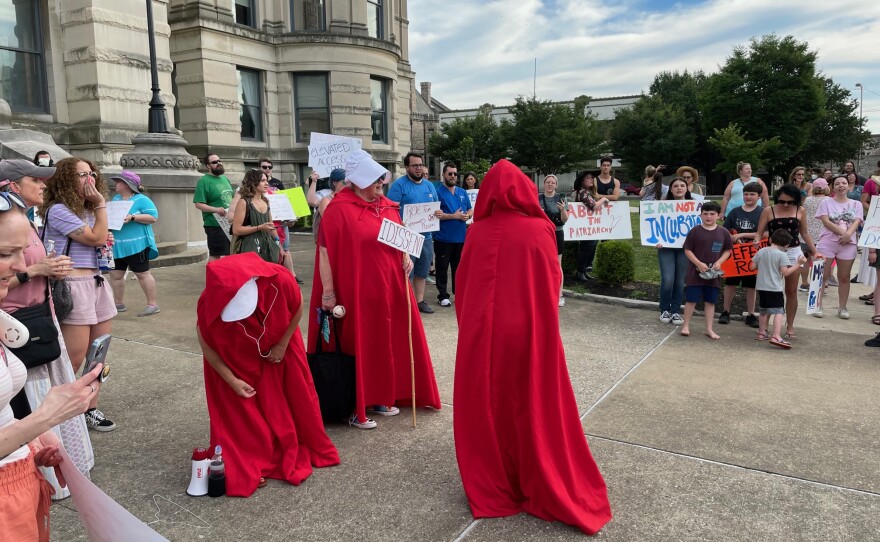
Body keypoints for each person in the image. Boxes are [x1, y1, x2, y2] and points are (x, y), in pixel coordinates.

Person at [452, 159, 612, 535]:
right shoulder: (539, 229)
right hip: (527, 332)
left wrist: (471, 327)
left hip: (483, 335)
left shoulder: (476, 232)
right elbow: (550, 283)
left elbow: (463, 288)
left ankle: (497, 474)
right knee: (529, 401)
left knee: (489, 402)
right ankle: (532, 469)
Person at [307, 150, 441, 430]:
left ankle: (381, 396)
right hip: (355, 290)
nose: (380, 182)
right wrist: (328, 292)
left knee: (385, 340)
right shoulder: (339, 209)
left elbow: (400, 238)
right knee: (360, 342)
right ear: (356, 181)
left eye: (381, 178)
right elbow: (325, 251)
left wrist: (405, 256)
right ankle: (355, 405)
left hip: (389, 288)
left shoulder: (389, 206)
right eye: (374, 179)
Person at [0, 194, 105, 539]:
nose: (20, 266)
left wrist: (31, 442)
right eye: (5, 254)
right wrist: (45, 417)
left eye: (23, 249)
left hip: (19, 480)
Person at [196, 252, 339, 496]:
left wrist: (283, 344)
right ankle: (256, 448)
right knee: (243, 408)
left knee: (294, 396)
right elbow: (205, 343)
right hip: (237, 353)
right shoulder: (208, 302)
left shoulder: (280, 279)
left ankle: (291, 436)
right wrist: (231, 380)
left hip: (281, 340)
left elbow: (297, 308)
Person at [39, 157, 118, 432]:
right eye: (82, 174)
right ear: (66, 180)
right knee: (72, 356)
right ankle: (59, 413)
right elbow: (95, 238)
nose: (90, 179)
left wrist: (100, 220)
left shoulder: (88, 211)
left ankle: (90, 407)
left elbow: (100, 240)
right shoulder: (58, 210)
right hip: (73, 283)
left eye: (92, 173)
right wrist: (100, 207)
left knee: (98, 353)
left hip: (96, 281)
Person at [756, 184, 821, 339]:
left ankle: (790, 325)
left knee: (791, 291)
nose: (785, 205)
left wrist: (815, 251)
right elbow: (759, 233)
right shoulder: (768, 210)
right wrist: (756, 244)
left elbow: (804, 232)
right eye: (782, 201)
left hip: (793, 252)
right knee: (771, 289)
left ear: (796, 201)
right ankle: (764, 327)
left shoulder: (800, 211)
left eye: (789, 202)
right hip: (773, 252)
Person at [387, 152, 440, 314]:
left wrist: (438, 213)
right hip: (407, 236)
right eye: (415, 165)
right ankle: (405, 302)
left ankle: (419, 301)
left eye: (420, 165)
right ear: (407, 167)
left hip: (426, 235)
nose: (419, 168)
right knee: (406, 271)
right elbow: (391, 209)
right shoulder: (399, 185)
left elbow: (436, 207)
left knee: (422, 271)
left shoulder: (429, 185)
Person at [107, 171, 160, 317]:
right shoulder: (116, 199)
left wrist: (133, 217)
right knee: (115, 275)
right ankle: (118, 303)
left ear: (127, 185)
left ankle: (152, 304)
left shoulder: (142, 199)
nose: (115, 184)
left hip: (137, 244)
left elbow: (153, 217)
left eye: (118, 181)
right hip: (117, 245)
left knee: (142, 274)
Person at [680, 201, 733, 339]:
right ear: (701, 215)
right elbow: (687, 250)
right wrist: (698, 263)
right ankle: (685, 325)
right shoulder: (695, 231)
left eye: (712, 214)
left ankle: (709, 329)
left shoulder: (723, 232)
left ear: (718, 215)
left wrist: (719, 262)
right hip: (695, 272)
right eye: (705, 214)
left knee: (711, 301)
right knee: (691, 299)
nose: (708, 217)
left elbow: (728, 250)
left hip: (713, 274)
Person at [815, 175, 864, 319]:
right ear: (832, 187)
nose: (841, 186)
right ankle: (816, 304)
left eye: (844, 183)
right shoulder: (826, 202)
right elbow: (825, 220)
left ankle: (842, 307)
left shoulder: (856, 204)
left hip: (848, 244)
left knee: (844, 277)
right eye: (837, 184)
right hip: (827, 242)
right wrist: (844, 233)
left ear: (848, 186)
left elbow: (857, 221)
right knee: (821, 275)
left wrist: (848, 235)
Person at [750, 229, 807, 349]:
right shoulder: (782, 255)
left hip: (761, 286)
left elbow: (752, 266)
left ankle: (762, 332)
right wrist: (797, 264)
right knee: (779, 311)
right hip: (774, 288)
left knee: (763, 310)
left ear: (771, 239)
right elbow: (785, 273)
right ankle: (776, 335)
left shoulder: (761, 251)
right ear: (786, 245)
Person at [718, 182, 763, 328]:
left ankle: (750, 314)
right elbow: (725, 230)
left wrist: (743, 234)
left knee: (751, 285)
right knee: (730, 283)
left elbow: (766, 233)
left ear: (759, 196)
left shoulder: (762, 212)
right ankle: (726, 311)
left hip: (753, 254)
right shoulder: (735, 212)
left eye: (752, 194)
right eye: (746, 194)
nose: (748, 197)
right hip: (735, 254)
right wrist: (732, 237)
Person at [434, 163, 472, 307]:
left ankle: (459, 293)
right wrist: (454, 216)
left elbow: (470, 209)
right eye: (450, 174)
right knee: (442, 267)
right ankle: (442, 295)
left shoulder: (462, 192)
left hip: (460, 237)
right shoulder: (438, 192)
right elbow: (435, 215)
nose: (453, 176)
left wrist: (467, 216)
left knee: (459, 268)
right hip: (443, 237)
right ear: (444, 174)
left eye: (455, 174)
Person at [656, 177, 691, 325]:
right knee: (668, 279)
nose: (679, 188)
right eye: (675, 186)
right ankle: (665, 309)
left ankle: (675, 311)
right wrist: (654, 240)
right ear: (670, 189)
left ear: (687, 188)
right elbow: (653, 226)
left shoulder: (694, 207)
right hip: (666, 248)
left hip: (685, 249)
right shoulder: (661, 206)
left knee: (680, 281)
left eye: (682, 185)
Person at [231, 169, 281, 264]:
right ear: (253, 182)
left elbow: (271, 226)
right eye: (263, 181)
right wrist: (259, 228)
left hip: (268, 247)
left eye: (266, 180)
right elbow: (236, 230)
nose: (267, 183)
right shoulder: (244, 202)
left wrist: (278, 245)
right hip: (250, 247)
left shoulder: (266, 201)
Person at [193, 153, 234, 261]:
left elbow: (232, 200)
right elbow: (198, 204)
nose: (219, 163)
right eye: (215, 162)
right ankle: (212, 277)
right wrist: (216, 209)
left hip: (229, 223)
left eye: (219, 161)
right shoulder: (204, 181)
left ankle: (226, 277)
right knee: (216, 254)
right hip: (215, 224)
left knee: (231, 254)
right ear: (208, 166)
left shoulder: (225, 179)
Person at [570, 171, 609, 281]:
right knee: (586, 248)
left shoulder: (586, 192)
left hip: (588, 225)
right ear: (582, 181)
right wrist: (603, 199)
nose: (591, 180)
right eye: (588, 178)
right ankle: (580, 272)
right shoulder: (583, 192)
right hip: (585, 226)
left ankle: (583, 271)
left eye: (592, 178)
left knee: (589, 248)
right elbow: (594, 206)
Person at [538, 174, 569, 307]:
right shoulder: (538, 198)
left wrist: (562, 210)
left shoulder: (561, 199)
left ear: (556, 185)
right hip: (542, 233)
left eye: (552, 182)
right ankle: (542, 293)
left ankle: (560, 294)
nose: (550, 184)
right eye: (547, 182)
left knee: (557, 263)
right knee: (541, 263)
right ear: (544, 184)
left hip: (557, 232)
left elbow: (565, 220)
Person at [800, 179, 830, 292]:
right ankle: (816, 283)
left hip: (806, 232)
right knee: (817, 260)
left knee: (806, 259)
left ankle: (804, 282)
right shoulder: (828, 200)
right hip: (821, 233)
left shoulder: (807, 200)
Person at [312, 169, 346, 243]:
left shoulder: (349, 198)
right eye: (344, 182)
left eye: (349, 182)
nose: (347, 185)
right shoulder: (326, 200)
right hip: (331, 241)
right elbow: (329, 223)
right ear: (335, 183)